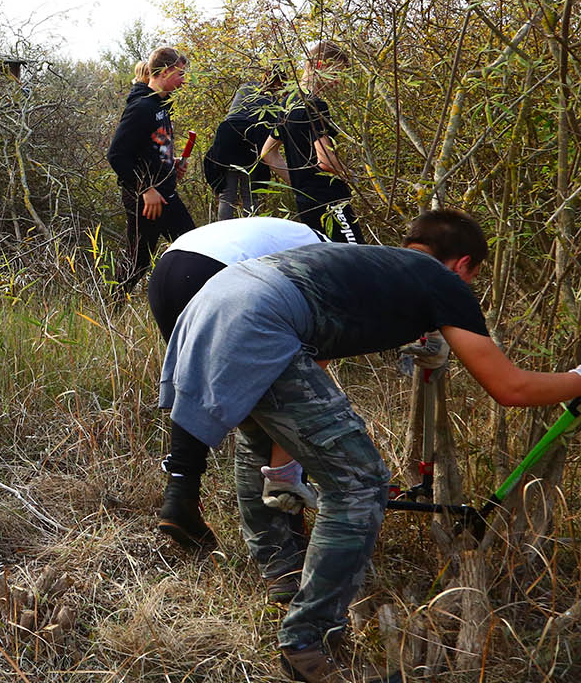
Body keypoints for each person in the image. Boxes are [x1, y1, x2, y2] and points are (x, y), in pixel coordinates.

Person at [160, 210, 581, 681]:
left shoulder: (369, 259)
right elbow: (510, 389)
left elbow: (321, 331)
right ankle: (307, 641)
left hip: (213, 302)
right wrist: (575, 380)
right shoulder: (442, 282)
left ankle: (282, 576)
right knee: (360, 482)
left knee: (260, 440)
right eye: (472, 276)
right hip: (259, 319)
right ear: (463, 265)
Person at [148, 216, 325, 564]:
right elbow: (315, 364)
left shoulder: (299, 236)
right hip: (218, 273)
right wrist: (286, 465)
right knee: (274, 406)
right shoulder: (334, 261)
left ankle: (180, 496)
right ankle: (284, 528)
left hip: (169, 268)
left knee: (198, 384)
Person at [106, 46, 196, 291]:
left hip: (166, 194)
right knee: (139, 261)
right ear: (165, 72)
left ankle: (186, 301)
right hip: (145, 200)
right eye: (180, 74)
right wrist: (146, 188)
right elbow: (117, 155)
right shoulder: (141, 107)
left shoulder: (162, 105)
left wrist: (169, 162)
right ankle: (111, 309)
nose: (183, 81)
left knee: (193, 246)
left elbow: (151, 146)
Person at [269, 42, 362, 242]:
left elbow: (267, 153)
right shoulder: (315, 105)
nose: (338, 81)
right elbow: (326, 161)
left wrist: (298, 184)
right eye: (337, 73)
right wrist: (353, 178)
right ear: (319, 66)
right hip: (330, 200)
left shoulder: (287, 103)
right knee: (354, 255)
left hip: (305, 202)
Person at [202, 67, 290, 219]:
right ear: (279, 83)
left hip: (227, 136)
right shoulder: (273, 102)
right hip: (248, 137)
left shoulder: (246, 87)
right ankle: (250, 232)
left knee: (227, 194)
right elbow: (273, 132)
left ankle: (224, 236)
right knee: (249, 192)